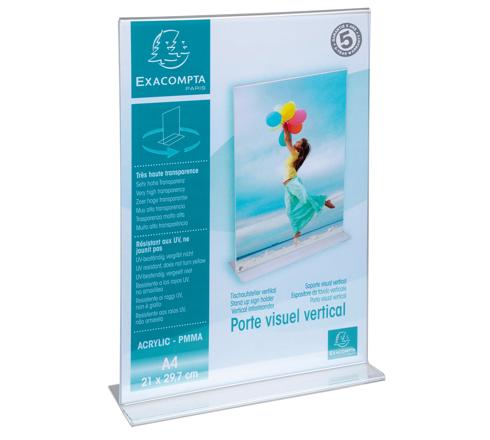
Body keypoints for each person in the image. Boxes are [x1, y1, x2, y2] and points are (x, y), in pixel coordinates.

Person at [282, 124, 335, 243]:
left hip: (293, 181)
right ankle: (297, 230)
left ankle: (323, 201)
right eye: (297, 141)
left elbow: (287, 140)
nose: (296, 142)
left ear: (300, 148)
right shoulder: (293, 156)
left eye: (298, 142)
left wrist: (285, 128)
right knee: (289, 211)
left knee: (305, 199)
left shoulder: (295, 153)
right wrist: (286, 129)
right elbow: (288, 140)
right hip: (287, 186)